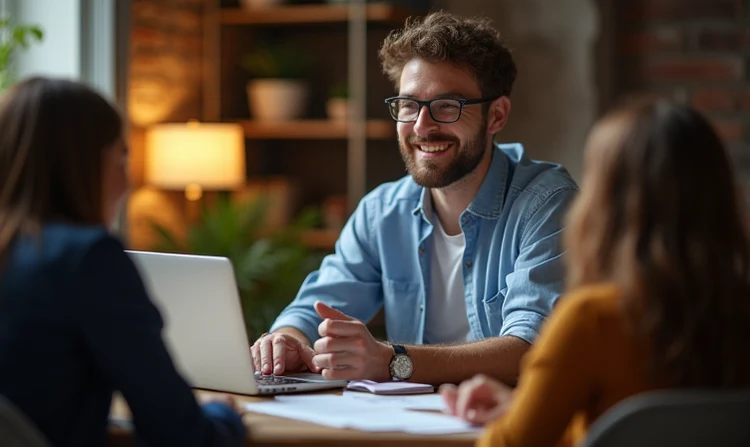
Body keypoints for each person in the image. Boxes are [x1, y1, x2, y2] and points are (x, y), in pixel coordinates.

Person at [252, 11, 578, 386]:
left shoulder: (548, 204)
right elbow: (318, 304)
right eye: (409, 105)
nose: (422, 126)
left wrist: (393, 361)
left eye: (446, 105)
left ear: (497, 116)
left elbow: (530, 349)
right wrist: (287, 339)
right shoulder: (382, 211)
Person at [441, 100, 750, 446]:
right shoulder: (737, 311)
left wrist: (518, 422)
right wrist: (529, 406)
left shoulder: (591, 321)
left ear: (606, 204)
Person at [0, 77, 245, 447]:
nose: (127, 179)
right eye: (121, 156)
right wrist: (223, 415)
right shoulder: (88, 258)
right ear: (84, 163)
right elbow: (180, 435)